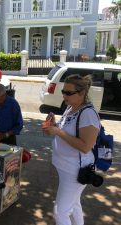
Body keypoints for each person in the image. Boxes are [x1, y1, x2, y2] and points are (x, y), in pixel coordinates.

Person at [42, 75, 100, 225]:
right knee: (74, 205)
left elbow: (85, 146)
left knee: (60, 211)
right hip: (65, 166)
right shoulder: (71, 107)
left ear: (81, 93)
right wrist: (55, 126)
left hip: (75, 170)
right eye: (63, 91)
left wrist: (58, 132)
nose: (64, 95)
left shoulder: (88, 114)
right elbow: (66, 131)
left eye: (68, 93)